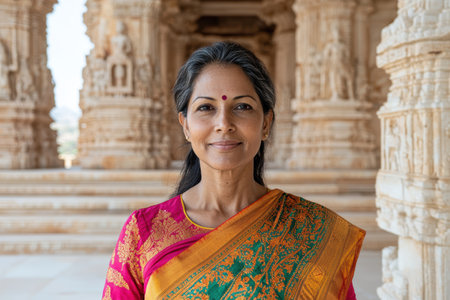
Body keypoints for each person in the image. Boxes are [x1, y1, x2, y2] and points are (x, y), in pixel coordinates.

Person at [102, 41, 365, 300]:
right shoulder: (145, 233)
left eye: (242, 107)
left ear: (266, 123)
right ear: (185, 125)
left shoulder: (313, 231)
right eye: (206, 108)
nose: (224, 123)